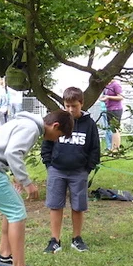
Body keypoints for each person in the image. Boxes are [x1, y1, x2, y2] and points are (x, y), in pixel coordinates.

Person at [0, 109, 74, 266]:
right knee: (17, 213)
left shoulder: (27, 124)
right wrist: (27, 182)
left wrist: (16, 175)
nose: (56, 139)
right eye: (59, 135)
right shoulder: (31, 128)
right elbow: (13, 153)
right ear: (55, 126)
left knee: (11, 209)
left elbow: (8, 150)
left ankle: (4, 256)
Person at [41, 87, 101, 253]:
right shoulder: (58, 121)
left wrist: (87, 168)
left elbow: (95, 148)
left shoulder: (89, 124)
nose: (70, 109)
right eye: (67, 106)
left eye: (74, 106)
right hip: (56, 170)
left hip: (79, 172)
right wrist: (49, 165)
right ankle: (55, 240)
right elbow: (46, 144)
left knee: (78, 206)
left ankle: (77, 238)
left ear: (81, 103)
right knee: (55, 205)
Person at [101, 77, 124, 151]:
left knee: (115, 129)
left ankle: (116, 149)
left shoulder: (115, 85)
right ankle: (113, 148)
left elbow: (121, 97)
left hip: (116, 109)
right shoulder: (107, 86)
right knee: (111, 129)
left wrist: (108, 97)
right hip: (109, 109)